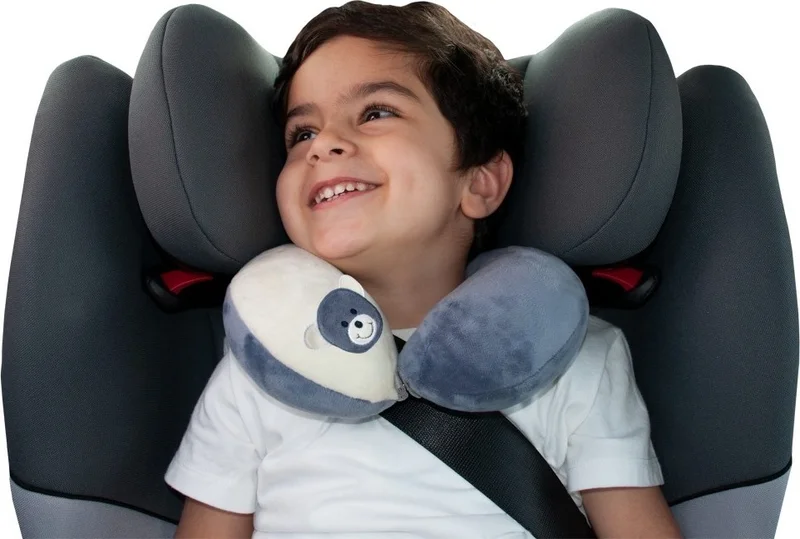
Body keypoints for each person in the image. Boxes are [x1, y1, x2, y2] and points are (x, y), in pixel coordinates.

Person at [166, 2, 683, 537]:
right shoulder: (260, 369)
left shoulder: (570, 360)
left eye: (375, 112)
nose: (324, 145)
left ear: (479, 182)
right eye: (302, 134)